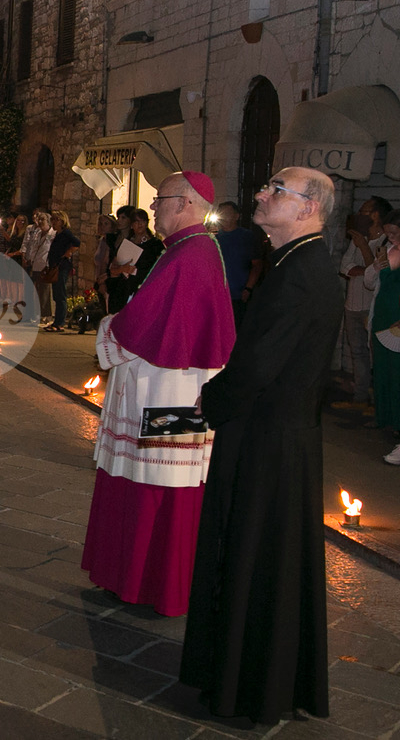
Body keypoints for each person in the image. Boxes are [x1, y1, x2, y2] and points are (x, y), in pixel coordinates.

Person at [180, 167, 342, 724]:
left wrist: (211, 399)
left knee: (254, 558)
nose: (261, 194)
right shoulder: (294, 261)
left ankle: (248, 685)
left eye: (276, 189)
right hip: (274, 434)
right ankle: (255, 678)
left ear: (308, 208)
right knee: (264, 561)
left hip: (268, 440)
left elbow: (258, 364)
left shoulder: (301, 272)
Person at [80, 171, 235, 617]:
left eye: (159, 199)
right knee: (145, 482)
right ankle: (131, 578)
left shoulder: (192, 253)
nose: (152, 207)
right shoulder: (186, 250)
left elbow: (143, 323)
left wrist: (109, 326)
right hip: (165, 389)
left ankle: (151, 583)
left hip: (170, 394)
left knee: (159, 487)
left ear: (185, 203)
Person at [334, 197, 391, 412]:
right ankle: (360, 398)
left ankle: (379, 402)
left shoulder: (386, 242)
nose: (359, 215)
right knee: (357, 353)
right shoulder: (358, 239)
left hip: (371, 307)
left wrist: (364, 250)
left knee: (376, 355)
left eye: (364, 211)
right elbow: (344, 266)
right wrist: (364, 269)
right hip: (352, 305)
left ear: (376, 215)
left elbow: (376, 274)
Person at [368, 210, 400, 437]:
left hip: (397, 314)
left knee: (397, 370)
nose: (390, 237)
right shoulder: (386, 251)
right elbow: (371, 283)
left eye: (394, 233)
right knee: (381, 367)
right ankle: (384, 417)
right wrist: (376, 267)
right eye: (388, 233)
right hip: (382, 313)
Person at [214, 201, 261, 327]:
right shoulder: (214, 240)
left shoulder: (246, 237)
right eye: (221, 213)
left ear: (236, 216)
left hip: (239, 296)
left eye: (227, 213)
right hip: (219, 296)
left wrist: (248, 288)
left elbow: (257, 265)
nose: (224, 216)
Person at [107, 209, 164, 312]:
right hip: (124, 289)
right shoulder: (126, 244)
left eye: (143, 221)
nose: (140, 224)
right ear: (132, 225)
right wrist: (123, 268)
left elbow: (161, 268)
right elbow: (112, 269)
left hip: (145, 289)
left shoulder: (155, 244)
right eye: (136, 221)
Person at [43, 210, 80, 332]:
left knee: (60, 295)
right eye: (52, 219)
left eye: (56, 219)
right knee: (57, 295)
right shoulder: (58, 234)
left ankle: (60, 323)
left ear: (62, 221)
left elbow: (77, 242)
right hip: (55, 266)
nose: (53, 222)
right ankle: (57, 321)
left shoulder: (66, 233)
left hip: (61, 266)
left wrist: (69, 252)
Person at [23, 209, 55, 323]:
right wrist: (29, 259)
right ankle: (35, 313)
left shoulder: (53, 234)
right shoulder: (37, 233)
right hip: (35, 265)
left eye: (43, 219)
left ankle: (46, 315)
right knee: (35, 291)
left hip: (45, 266)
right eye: (39, 219)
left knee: (44, 292)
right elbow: (33, 247)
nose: (40, 221)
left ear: (48, 221)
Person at [104, 205, 137, 313]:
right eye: (118, 217)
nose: (119, 221)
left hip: (124, 281)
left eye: (123, 218)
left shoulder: (133, 239)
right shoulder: (114, 238)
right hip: (112, 278)